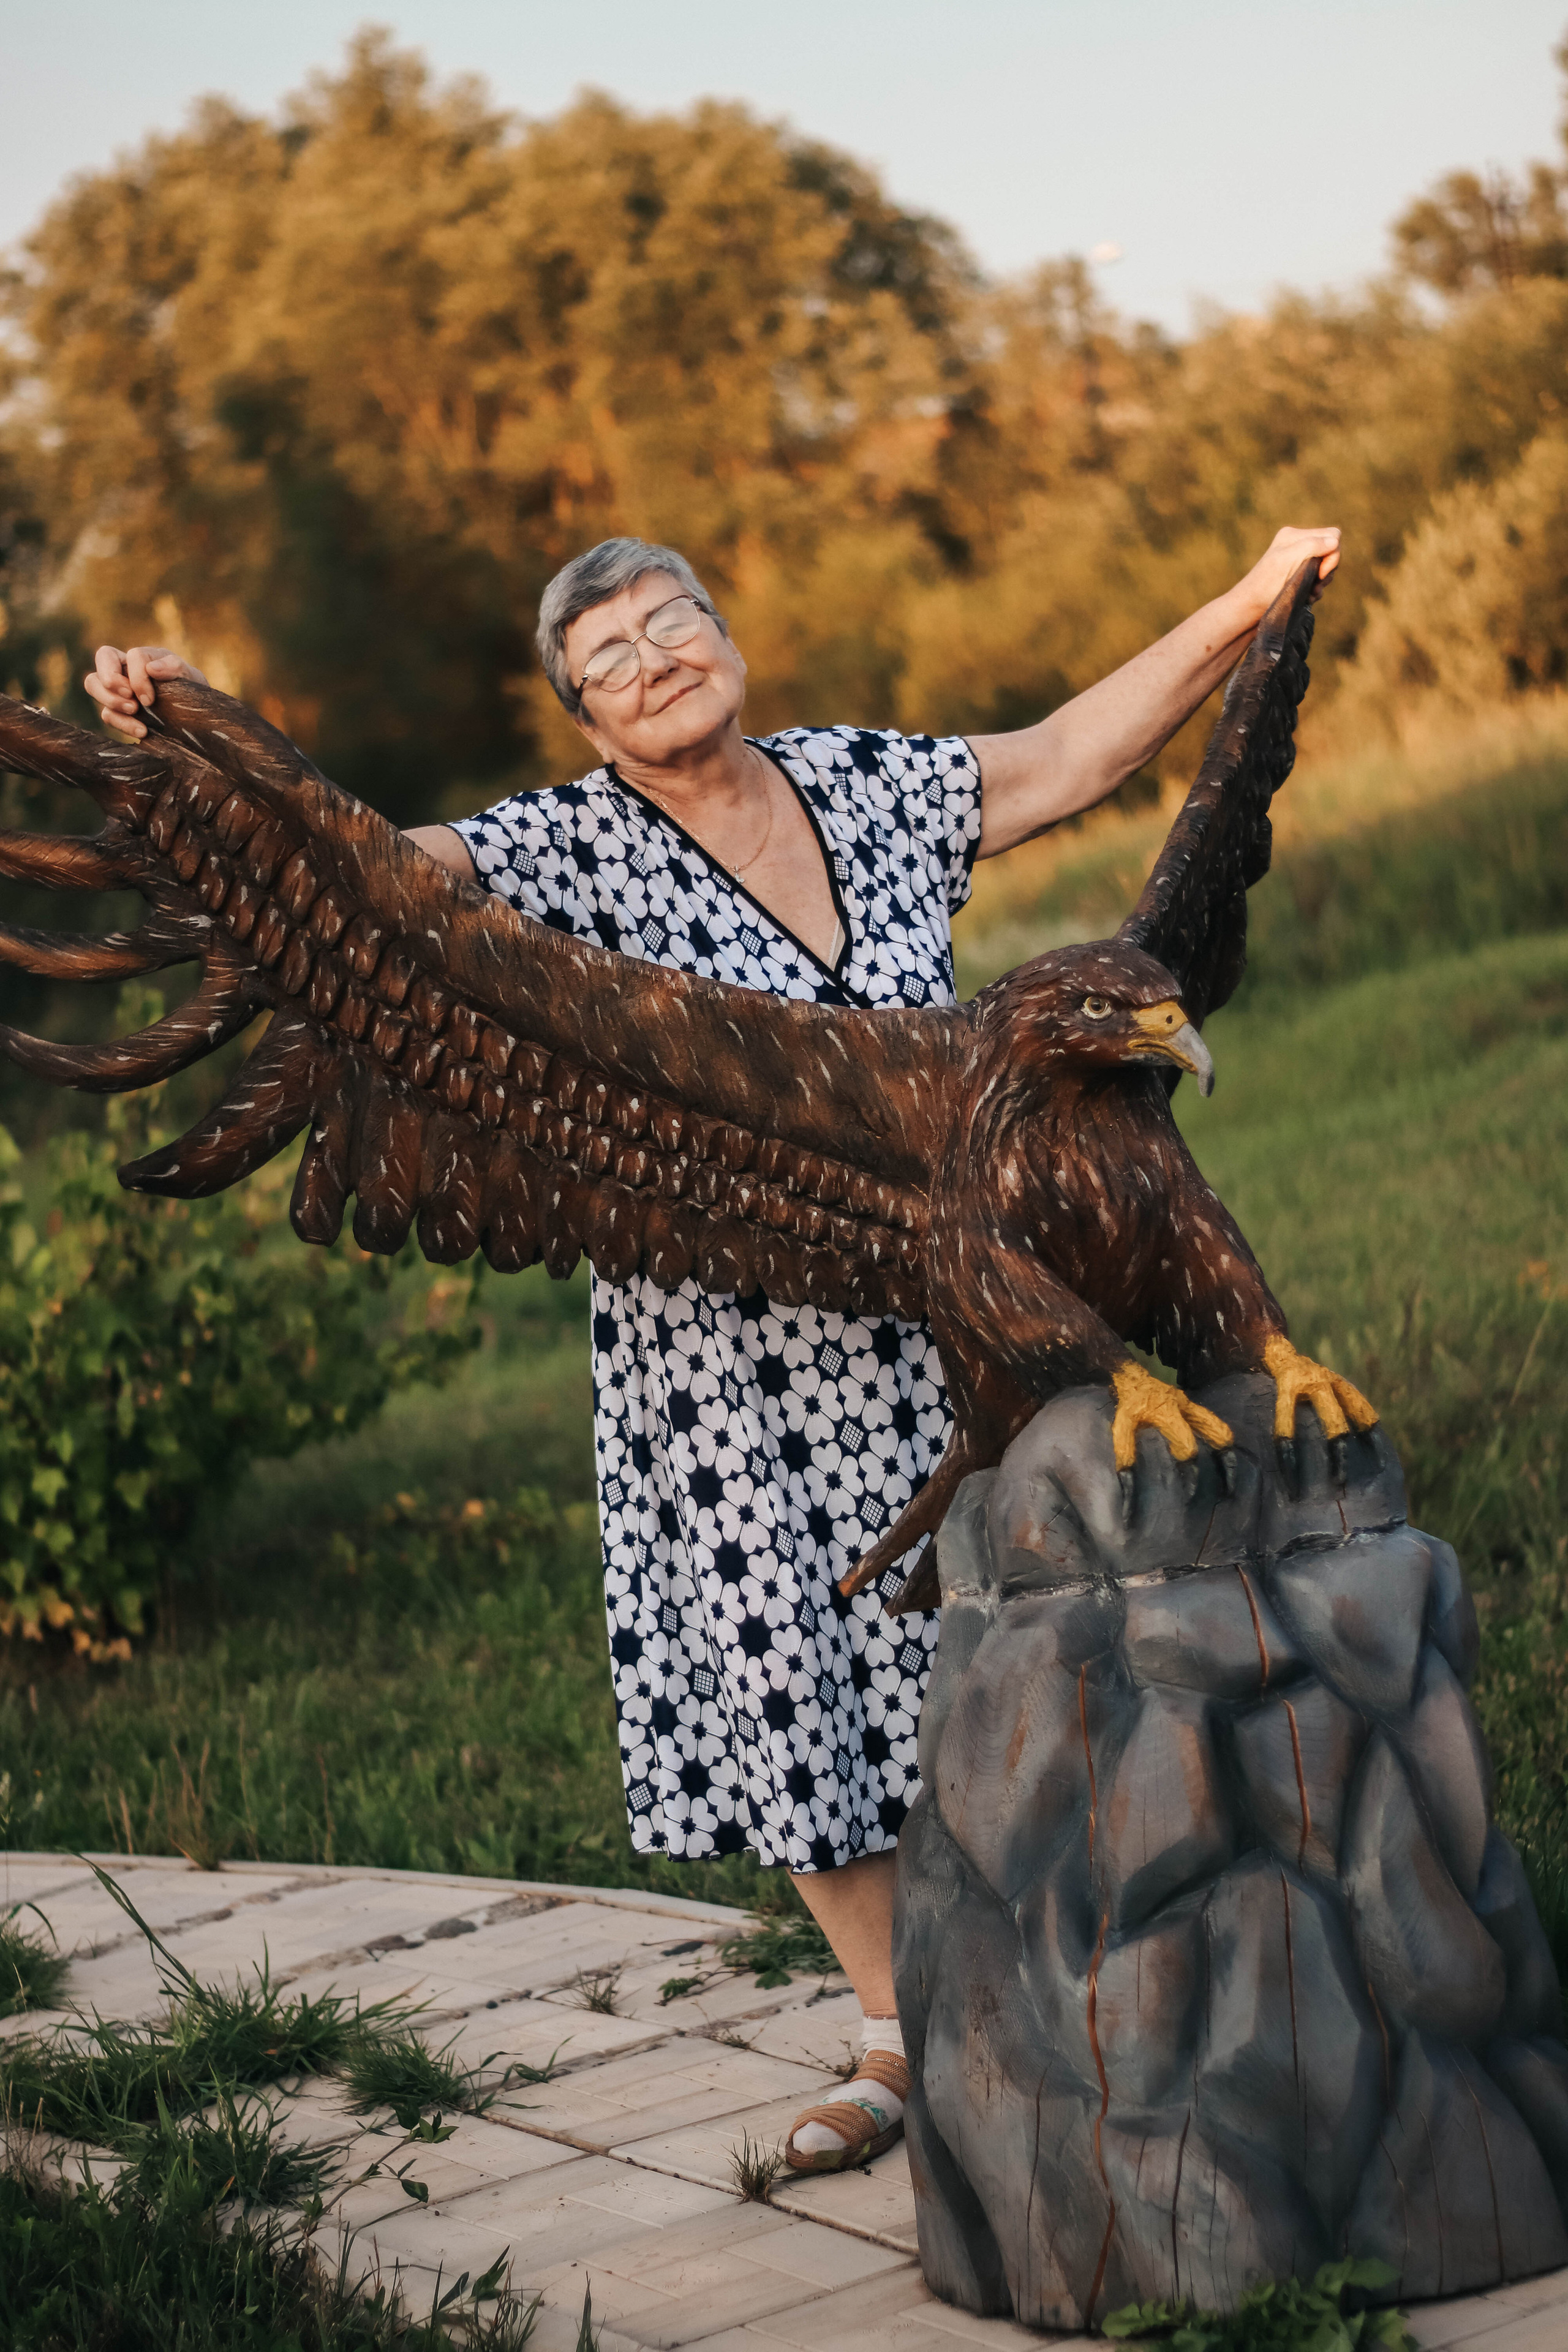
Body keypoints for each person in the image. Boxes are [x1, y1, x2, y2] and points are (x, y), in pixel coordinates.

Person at [88, 522, 1340, 2171]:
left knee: (1013, 1650)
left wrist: (1252, 597)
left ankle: (1079, 1983)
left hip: (955, 1314)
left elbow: (1066, 754)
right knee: (793, 1681)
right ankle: (898, 2038)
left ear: (727, 638)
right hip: (723, 1366)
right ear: (583, 716)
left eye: (670, 621)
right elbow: (366, 885)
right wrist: (201, 743)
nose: (652, 660)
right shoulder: (560, 847)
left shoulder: (860, 782)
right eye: (607, 657)